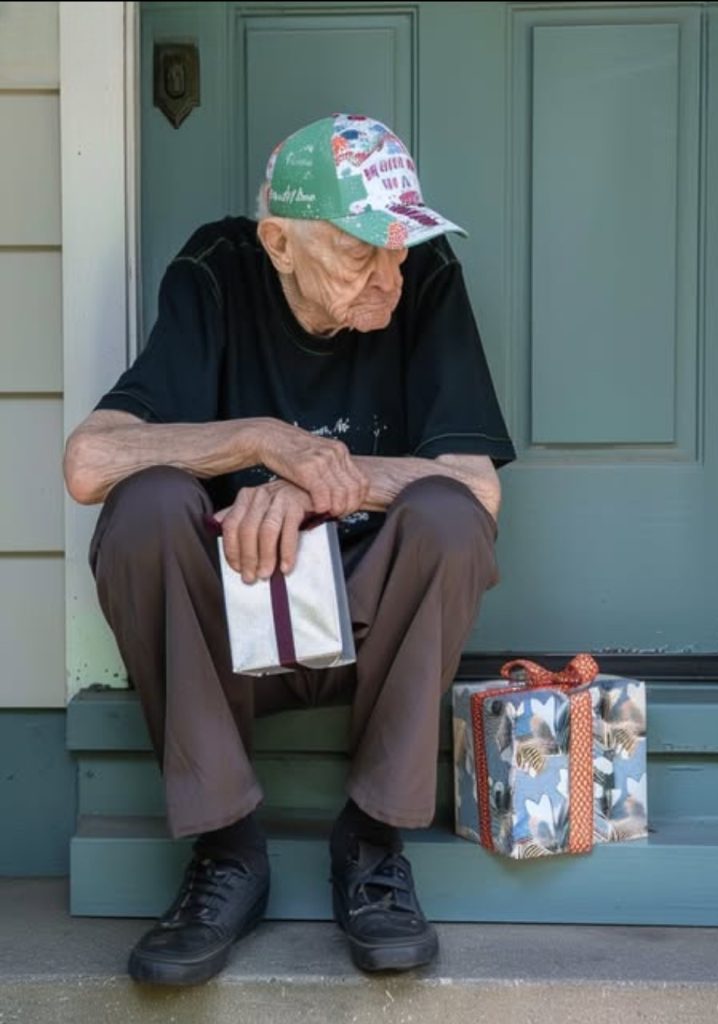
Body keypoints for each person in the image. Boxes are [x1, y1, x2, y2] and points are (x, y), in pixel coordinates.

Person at [63, 113, 515, 985]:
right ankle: (227, 851)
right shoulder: (218, 272)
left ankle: (373, 841)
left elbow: (477, 486)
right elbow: (90, 461)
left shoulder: (420, 279)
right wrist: (263, 440)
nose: (389, 276)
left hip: (366, 620)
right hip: (232, 630)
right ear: (279, 242)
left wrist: (312, 480)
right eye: (360, 254)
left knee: (452, 518)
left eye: (401, 250)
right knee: (144, 504)